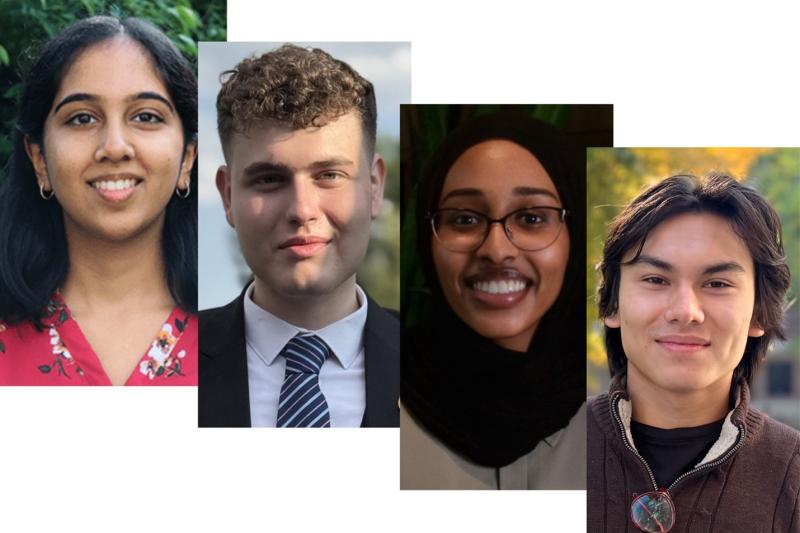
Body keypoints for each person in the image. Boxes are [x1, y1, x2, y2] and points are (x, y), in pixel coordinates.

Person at [198, 44, 399, 428]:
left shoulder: (449, 367)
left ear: (374, 188)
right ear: (227, 196)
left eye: (329, 176)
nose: (302, 210)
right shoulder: (165, 368)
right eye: (269, 180)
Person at [588, 173, 799, 532]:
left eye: (717, 284)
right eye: (655, 279)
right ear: (613, 305)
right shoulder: (538, 454)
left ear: (760, 312)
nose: (685, 311)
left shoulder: (791, 473)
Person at [0, 16, 198, 386]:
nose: (115, 147)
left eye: (145, 116)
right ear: (39, 158)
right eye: (82, 119)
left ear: (187, 157)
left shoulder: (247, 333)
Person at [400, 111, 586, 489]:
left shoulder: (635, 412)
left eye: (532, 218)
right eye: (464, 220)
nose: (497, 250)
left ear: (576, 234)